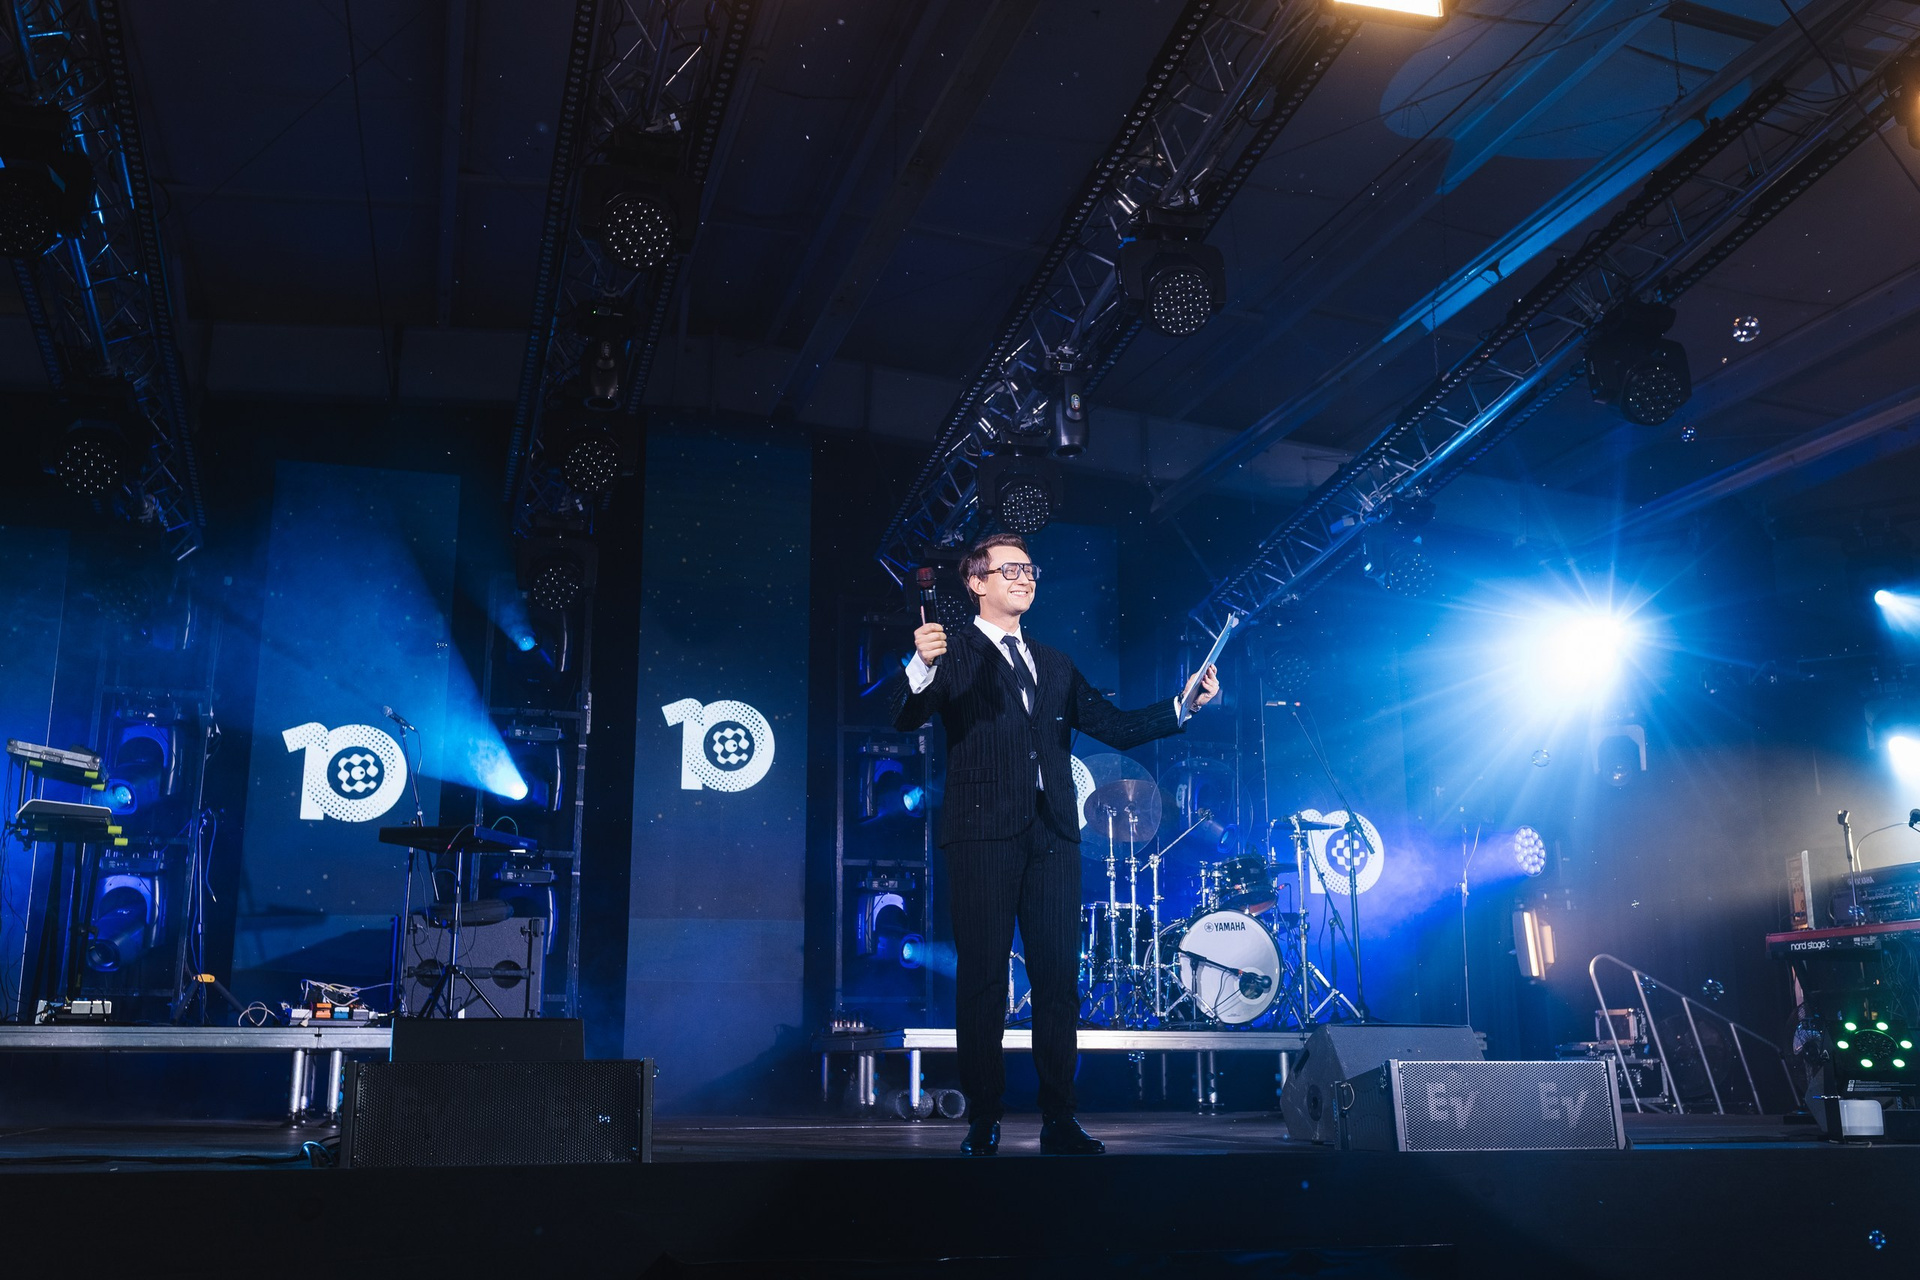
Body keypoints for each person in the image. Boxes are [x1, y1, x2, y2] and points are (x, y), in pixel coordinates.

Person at [888, 532, 1219, 1156]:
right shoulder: (950, 651)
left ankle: (1059, 1117)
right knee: (984, 979)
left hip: (1053, 835)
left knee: (1058, 981)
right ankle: (984, 1117)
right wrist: (921, 665)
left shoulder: (1055, 662)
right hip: (983, 834)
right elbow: (906, 716)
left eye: (1030, 569)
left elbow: (1115, 726)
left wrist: (1184, 704)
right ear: (976, 582)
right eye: (1009, 570)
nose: (1024, 578)